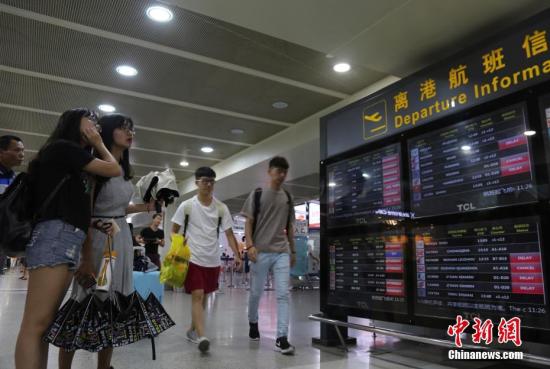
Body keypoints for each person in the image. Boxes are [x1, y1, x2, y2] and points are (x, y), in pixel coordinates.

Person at [55, 114, 172, 369]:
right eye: (123, 127)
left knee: (112, 304)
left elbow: (119, 207)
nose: (130, 132)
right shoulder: (97, 167)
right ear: (108, 132)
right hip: (99, 244)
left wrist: (147, 206)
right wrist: (86, 259)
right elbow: (85, 213)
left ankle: (104, 366)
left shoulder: (123, 171)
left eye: (131, 128)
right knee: (88, 300)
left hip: (120, 244)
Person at [15, 108, 122, 369]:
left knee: (44, 324)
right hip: (55, 235)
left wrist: (94, 223)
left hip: (66, 237)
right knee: (36, 324)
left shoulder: (72, 158)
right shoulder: (63, 147)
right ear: (74, 123)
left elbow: (72, 204)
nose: (95, 125)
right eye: (91, 120)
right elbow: (114, 168)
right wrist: (98, 143)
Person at [171, 167, 242, 353]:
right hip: (192, 258)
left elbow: (229, 234)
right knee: (198, 295)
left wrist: (237, 254)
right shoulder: (186, 206)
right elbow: (173, 231)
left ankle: (193, 329)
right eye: (205, 181)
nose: (209, 185)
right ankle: (202, 336)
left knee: (203, 298)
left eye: (212, 181)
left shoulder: (221, 208)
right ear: (196, 183)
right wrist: (179, 242)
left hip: (213, 260)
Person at [242, 156, 296, 355]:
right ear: (270, 171)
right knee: (256, 293)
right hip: (260, 251)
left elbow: (290, 226)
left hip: (281, 251)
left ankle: (281, 338)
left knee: (283, 294)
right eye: (278, 171)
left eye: (284, 172)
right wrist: (250, 246)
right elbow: (248, 222)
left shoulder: (288, 198)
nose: (281, 175)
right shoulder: (258, 194)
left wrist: (293, 250)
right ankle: (253, 321)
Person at [0, 135, 24, 275]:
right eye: (16, 150)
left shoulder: (15, 179)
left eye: (23, 150)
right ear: (1, 152)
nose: (21, 154)